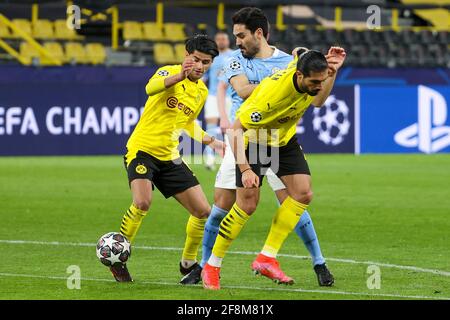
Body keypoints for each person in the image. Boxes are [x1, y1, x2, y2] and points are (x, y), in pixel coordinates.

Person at [180, 7, 334, 287]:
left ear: (259, 33)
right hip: (247, 137)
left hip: (280, 138)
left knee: (298, 199)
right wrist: (286, 79)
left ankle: (318, 262)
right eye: (235, 36)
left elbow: (313, 91)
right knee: (225, 206)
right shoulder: (234, 60)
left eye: (241, 35)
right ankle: (204, 265)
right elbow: (244, 91)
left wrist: (308, 75)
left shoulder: (292, 63)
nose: (236, 41)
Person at [201, 46, 346, 290]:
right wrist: (246, 169)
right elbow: (235, 131)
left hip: (283, 140)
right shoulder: (271, 95)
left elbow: (319, 102)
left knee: (303, 193)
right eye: (315, 81)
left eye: (321, 80)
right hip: (254, 142)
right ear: (300, 76)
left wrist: (331, 73)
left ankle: (266, 257)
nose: (318, 86)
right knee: (246, 205)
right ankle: (212, 266)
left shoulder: (309, 78)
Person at [109, 35, 225, 282]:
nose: (200, 66)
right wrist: (178, 77)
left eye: (206, 62)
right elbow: (150, 89)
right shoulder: (167, 73)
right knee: (142, 202)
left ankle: (187, 263)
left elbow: (187, 123)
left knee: (203, 210)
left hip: (169, 157)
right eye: (195, 60)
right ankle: (117, 258)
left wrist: (211, 141)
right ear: (186, 56)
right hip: (142, 150)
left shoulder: (201, 91)